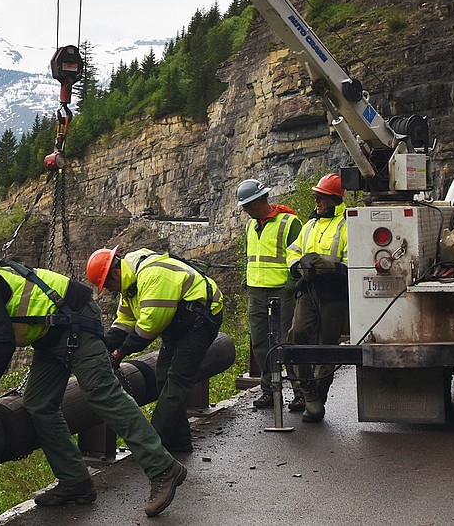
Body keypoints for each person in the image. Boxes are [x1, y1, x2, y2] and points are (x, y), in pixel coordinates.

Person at [0, 260, 186, 518]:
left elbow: (2, 343)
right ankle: (75, 481)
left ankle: (163, 468)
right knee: (38, 403)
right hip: (52, 337)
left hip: (76, 321)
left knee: (102, 393)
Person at [86, 246, 223, 454]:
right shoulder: (129, 284)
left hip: (200, 319)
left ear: (116, 272)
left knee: (177, 380)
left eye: (108, 284)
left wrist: (119, 354)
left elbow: (148, 327)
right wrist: (103, 345)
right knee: (163, 378)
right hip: (177, 322)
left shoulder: (151, 276)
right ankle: (179, 443)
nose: (110, 290)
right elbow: (125, 321)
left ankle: (153, 446)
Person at [236, 178, 306, 412]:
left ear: (257, 202)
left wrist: (290, 285)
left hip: (281, 292)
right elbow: (250, 256)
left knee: (286, 342)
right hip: (256, 291)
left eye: (246, 205)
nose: (244, 210)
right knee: (260, 342)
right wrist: (248, 282)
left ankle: (300, 393)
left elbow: (299, 255)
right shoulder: (251, 225)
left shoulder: (289, 222)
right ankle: (268, 390)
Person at [288, 172, 349, 424]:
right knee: (297, 334)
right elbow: (292, 252)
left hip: (334, 292)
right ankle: (306, 392)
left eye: (321, 197)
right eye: (315, 197)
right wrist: (297, 267)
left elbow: (352, 261)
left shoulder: (347, 225)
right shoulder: (309, 225)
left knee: (327, 347)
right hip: (309, 288)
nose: (317, 201)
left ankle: (318, 399)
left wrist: (333, 268)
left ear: (333, 199)